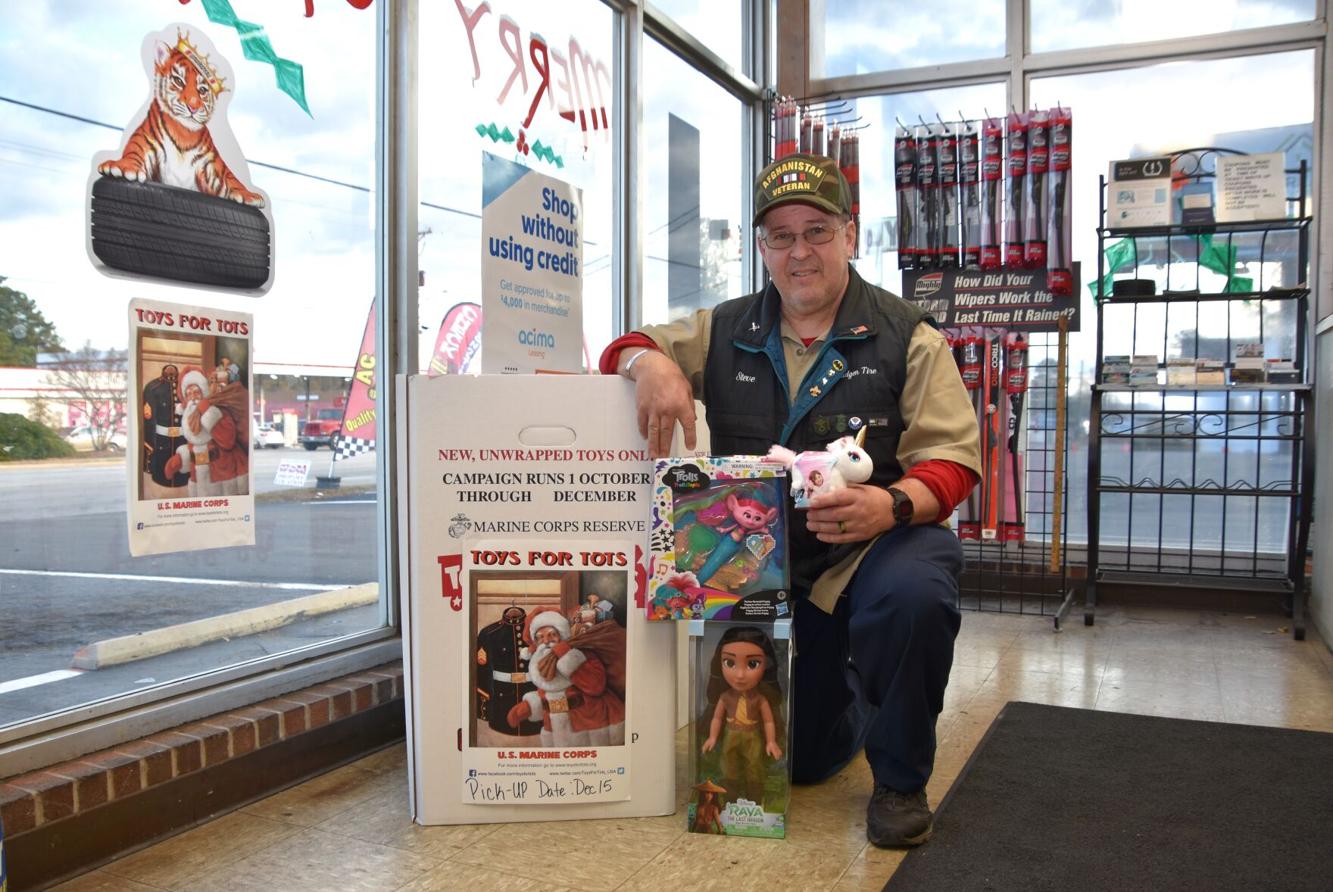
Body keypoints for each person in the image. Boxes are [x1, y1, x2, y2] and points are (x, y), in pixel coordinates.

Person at [598, 153, 982, 847]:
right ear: (762, 248)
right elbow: (626, 346)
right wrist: (647, 363)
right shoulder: (724, 329)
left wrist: (891, 505)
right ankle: (852, 691)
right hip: (765, 573)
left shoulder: (909, 337)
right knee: (803, 765)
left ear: (849, 234)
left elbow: (954, 461)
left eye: (816, 231)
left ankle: (899, 780)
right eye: (781, 236)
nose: (799, 251)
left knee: (916, 592)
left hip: (869, 555)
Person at [505, 607, 626, 747]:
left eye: (552, 635)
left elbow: (596, 686)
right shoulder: (541, 662)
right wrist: (530, 706)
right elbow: (548, 693)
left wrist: (566, 656)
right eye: (540, 637)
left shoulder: (581, 655)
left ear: (561, 635)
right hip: (556, 730)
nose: (546, 641)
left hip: (592, 724)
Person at [140, 363, 189, 498]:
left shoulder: (186, 386)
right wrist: (150, 444)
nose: (171, 372)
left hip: (182, 438)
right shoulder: (153, 387)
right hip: (162, 439)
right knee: (162, 469)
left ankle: (181, 479)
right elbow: (149, 420)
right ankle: (162, 477)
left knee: (182, 465)